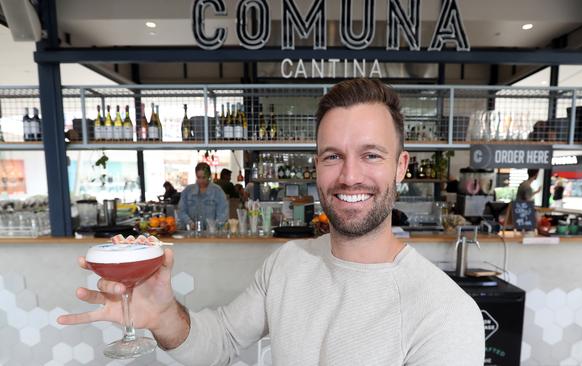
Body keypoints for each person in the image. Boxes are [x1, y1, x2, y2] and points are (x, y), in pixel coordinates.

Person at [58, 79, 485, 365]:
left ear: (401, 166)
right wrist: (163, 316)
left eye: (371, 155)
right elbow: (221, 340)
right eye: (333, 156)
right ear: (316, 166)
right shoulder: (288, 262)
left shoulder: (446, 314)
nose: (350, 175)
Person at [176, 162, 228, 230]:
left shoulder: (218, 191)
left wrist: (214, 226)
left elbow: (223, 214)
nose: (201, 180)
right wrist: (189, 222)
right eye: (199, 177)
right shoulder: (187, 191)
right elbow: (181, 211)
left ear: (209, 176)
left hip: (212, 234)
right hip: (190, 233)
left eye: (204, 177)